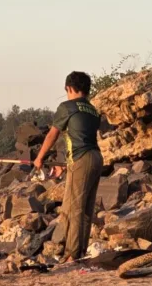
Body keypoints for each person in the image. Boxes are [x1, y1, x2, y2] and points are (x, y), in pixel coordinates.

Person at [32, 71, 103, 264]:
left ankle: (72, 254)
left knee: (75, 208)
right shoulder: (93, 110)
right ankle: (80, 250)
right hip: (96, 158)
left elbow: (52, 135)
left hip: (82, 159)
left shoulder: (67, 107)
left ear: (69, 88)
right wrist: (65, 165)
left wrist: (39, 158)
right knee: (86, 208)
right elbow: (81, 136)